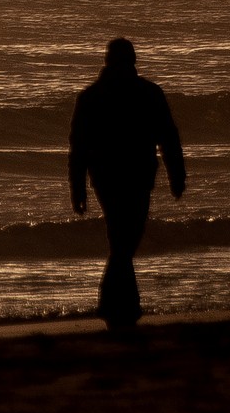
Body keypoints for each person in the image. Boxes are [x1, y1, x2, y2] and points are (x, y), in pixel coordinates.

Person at [68, 38, 185, 329]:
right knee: (124, 240)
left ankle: (118, 306)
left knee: (122, 239)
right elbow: (168, 138)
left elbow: (79, 149)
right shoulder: (144, 93)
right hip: (130, 176)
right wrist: (176, 175)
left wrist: (79, 187)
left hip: (114, 176)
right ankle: (120, 307)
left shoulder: (94, 96)